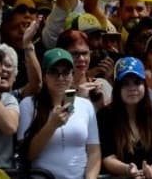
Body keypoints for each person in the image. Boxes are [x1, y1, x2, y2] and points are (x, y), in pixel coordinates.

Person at [18, 48, 101, 179]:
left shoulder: (85, 105)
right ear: (45, 76)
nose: (61, 77)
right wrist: (51, 125)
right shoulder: (29, 104)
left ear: (72, 75)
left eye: (66, 72)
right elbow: (27, 155)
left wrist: (90, 177)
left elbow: (94, 151)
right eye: (54, 72)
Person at [97, 57, 152, 177]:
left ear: (144, 84)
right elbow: (107, 157)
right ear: (117, 87)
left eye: (137, 82)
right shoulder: (105, 116)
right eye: (125, 83)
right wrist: (128, 170)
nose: (132, 88)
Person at [56, 30, 112, 111]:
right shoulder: (55, 88)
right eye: (75, 54)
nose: (81, 59)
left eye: (85, 53)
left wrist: (104, 108)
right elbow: (66, 119)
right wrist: (78, 98)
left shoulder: (102, 85)